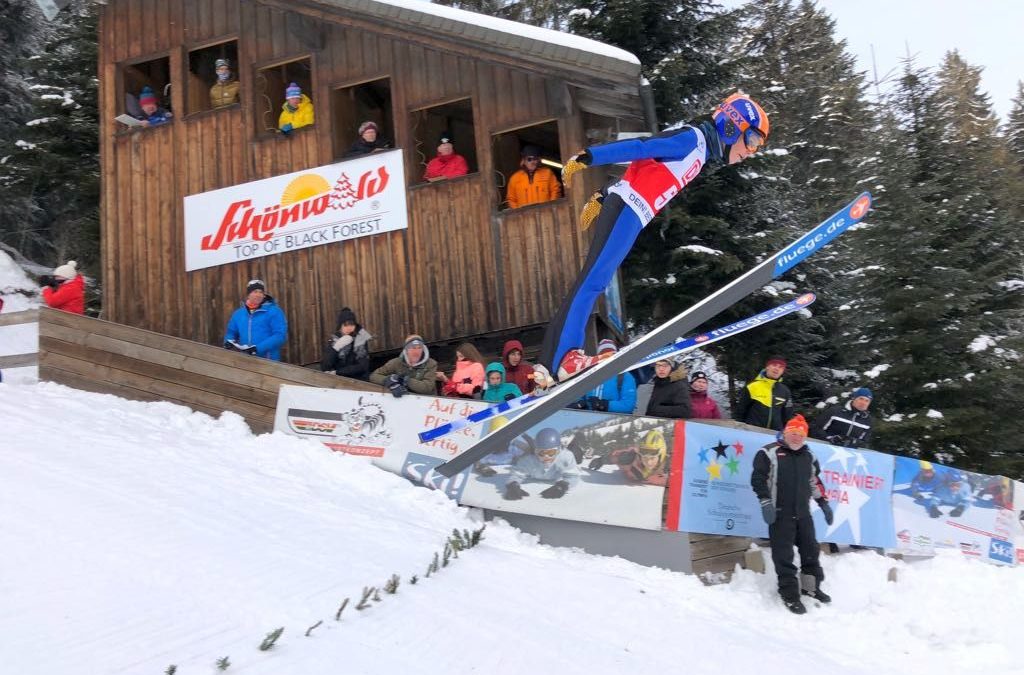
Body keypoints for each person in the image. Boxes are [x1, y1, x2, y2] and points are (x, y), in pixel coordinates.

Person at [539, 92, 769, 379]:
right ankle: (564, 359)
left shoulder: (700, 153)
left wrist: (604, 193)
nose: (751, 151)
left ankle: (549, 365)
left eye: (758, 146)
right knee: (594, 281)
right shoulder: (692, 140)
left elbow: (647, 170)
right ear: (732, 126)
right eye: (752, 140)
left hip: (631, 212)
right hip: (628, 209)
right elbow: (642, 147)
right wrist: (592, 156)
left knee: (592, 280)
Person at [751, 414, 833, 614]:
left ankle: (811, 588)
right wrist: (765, 502)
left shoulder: (809, 455)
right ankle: (789, 594)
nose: (797, 437)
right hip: (780, 514)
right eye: (793, 433)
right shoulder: (768, 452)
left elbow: (814, 481)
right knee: (784, 556)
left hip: (803, 514)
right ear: (785, 433)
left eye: (801, 435)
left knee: (810, 551)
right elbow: (758, 479)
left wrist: (823, 503)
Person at [504, 427, 581, 500]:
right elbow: (517, 474)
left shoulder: (565, 457)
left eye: (551, 452)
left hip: (556, 477)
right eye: (541, 452)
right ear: (536, 451)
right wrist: (513, 485)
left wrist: (563, 486)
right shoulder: (528, 459)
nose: (546, 456)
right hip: (532, 476)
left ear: (558, 451)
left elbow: (573, 476)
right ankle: (514, 441)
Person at [223, 279, 288, 360]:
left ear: (264, 295)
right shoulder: (238, 314)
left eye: (261, 292)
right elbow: (231, 332)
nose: (258, 295)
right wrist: (228, 341)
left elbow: (280, 336)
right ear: (248, 295)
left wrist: (257, 349)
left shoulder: (274, 311)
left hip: (268, 360)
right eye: (255, 292)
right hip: (245, 360)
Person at [569, 339, 636, 413]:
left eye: (611, 353)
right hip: (587, 418)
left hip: (613, 419)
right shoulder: (590, 375)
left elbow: (628, 405)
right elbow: (579, 396)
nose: (608, 357)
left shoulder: (624, 376)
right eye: (604, 354)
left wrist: (604, 405)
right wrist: (580, 403)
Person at [588, 429, 669, 486]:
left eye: (652, 458)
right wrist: (600, 460)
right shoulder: (628, 458)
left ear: (661, 455)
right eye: (644, 457)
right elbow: (614, 457)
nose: (648, 462)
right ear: (639, 454)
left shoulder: (670, 467)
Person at [735, 356, 793, 432]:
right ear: (767, 367)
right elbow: (740, 412)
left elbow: (787, 416)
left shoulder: (785, 391)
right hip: (752, 432)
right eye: (774, 365)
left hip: (775, 435)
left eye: (781, 367)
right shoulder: (752, 386)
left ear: (782, 371)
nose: (777, 369)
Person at [369, 334, 438, 397]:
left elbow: (427, 387)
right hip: (402, 400)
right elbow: (373, 376)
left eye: (419, 348)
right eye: (413, 348)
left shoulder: (431, 364)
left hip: (425, 400)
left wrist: (406, 380)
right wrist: (390, 381)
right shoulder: (396, 362)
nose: (416, 352)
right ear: (406, 350)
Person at [319, 306, 372, 380]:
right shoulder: (335, 339)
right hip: (339, 380)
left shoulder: (360, 338)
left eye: (352, 325)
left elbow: (363, 366)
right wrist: (336, 348)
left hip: (358, 380)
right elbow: (325, 367)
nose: (349, 328)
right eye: (345, 325)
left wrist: (337, 372)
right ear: (340, 326)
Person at [505, 144, 562, 209]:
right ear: (523, 161)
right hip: (524, 214)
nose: (532, 162)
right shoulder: (514, 178)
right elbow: (511, 199)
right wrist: (519, 212)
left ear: (538, 160)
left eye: (535, 159)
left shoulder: (548, 173)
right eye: (529, 159)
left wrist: (550, 207)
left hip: (546, 212)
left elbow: (555, 191)